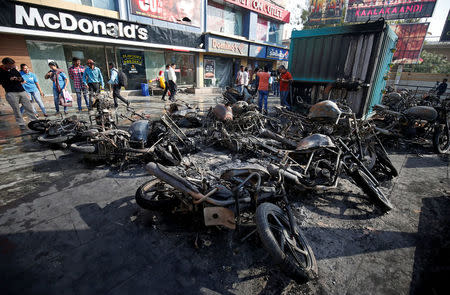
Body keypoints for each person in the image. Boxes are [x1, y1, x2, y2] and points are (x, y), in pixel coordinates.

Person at [0, 57, 36, 129]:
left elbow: (21, 79)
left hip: (21, 91)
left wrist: (17, 78)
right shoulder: (1, 71)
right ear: (5, 64)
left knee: (29, 107)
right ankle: (21, 124)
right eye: (11, 64)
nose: (13, 66)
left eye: (13, 64)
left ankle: (34, 121)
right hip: (11, 92)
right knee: (16, 109)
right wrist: (9, 79)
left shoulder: (13, 70)